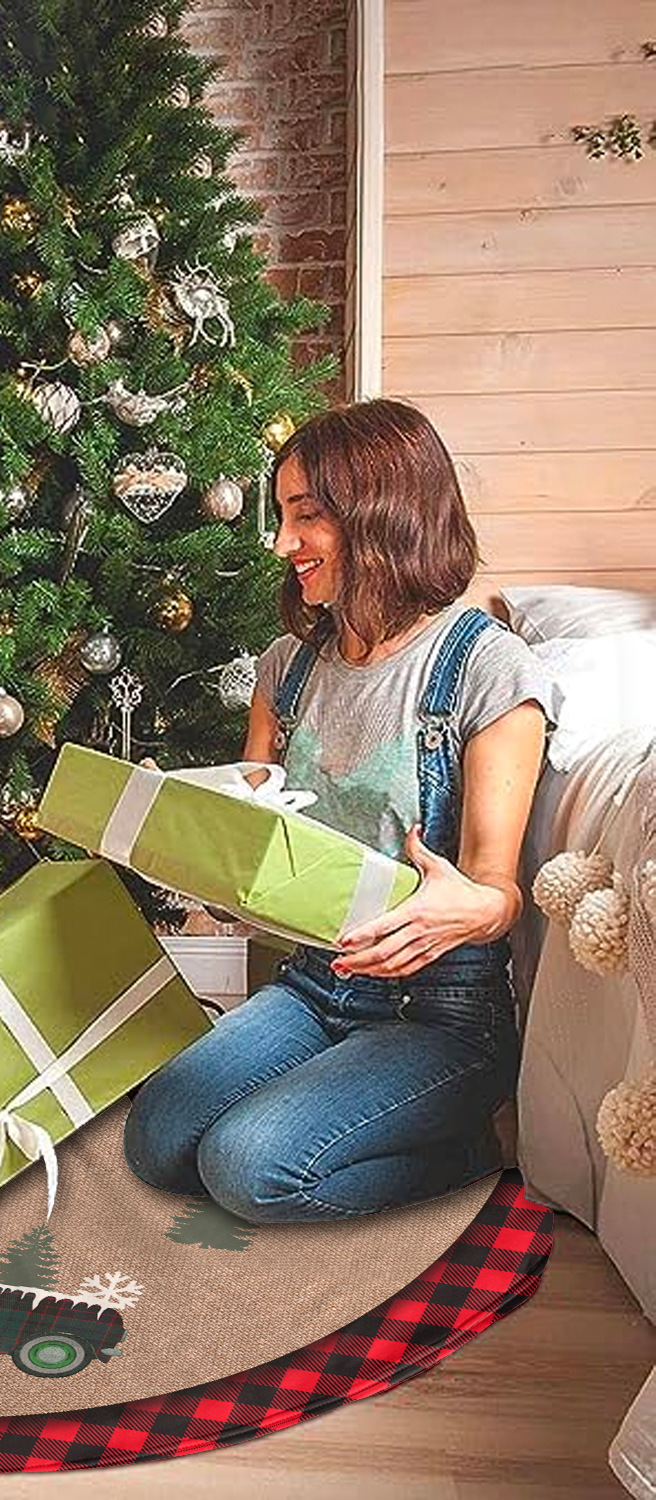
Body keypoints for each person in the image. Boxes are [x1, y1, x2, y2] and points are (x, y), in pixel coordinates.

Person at [123, 399, 555, 1222]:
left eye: (306, 517)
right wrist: (192, 849)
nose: (283, 545)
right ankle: (341, 1108)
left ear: (382, 515)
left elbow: (498, 891)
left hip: (437, 1012)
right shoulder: (286, 667)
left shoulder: (486, 666)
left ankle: (467, 1154)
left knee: (246, 1168)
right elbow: (247, 855)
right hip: (313, 983)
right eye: (282, 516)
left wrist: (473, 905)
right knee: (159, 1138)